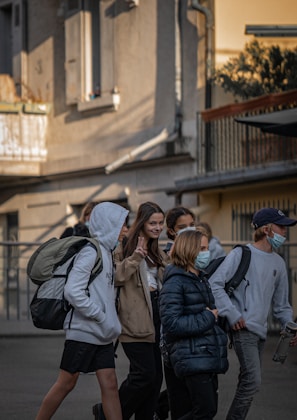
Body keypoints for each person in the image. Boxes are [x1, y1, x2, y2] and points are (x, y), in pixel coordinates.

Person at [35, 202, 129, 420]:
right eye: (122, 224)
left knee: (110, 384)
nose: (125, 229)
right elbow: (73, 291)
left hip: (101, 333)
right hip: (84, 331)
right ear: (109, 225)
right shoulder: (90, 251)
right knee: (66, 383)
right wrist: (100, 315)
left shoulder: (106, 251)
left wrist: (105, 320)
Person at [208, 207, 297, 420]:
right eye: (281, 226)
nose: (285, 231)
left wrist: (290, 325)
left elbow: (281, 305)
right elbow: (214, 284)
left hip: (261, 332)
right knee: (252, 382)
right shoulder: (241, 254)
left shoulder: (279, 263)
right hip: (243, 329)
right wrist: (232, 314)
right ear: (266, 229)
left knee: (248, 382)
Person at [93, 201, 169, 420]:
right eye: (153, 223)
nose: (157, 227)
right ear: (142, 223)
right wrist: (136, 257)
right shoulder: (123, 245)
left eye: (161, 223)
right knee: (143, 375)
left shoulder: (157, 248)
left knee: (155, 378)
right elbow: (115, 276)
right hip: (133, 317)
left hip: (156, 314)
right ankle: (108, 414)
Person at [159, 229, 229, 420]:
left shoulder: (200, 279)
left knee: (198, 409)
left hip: (203, 354)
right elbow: (172, 323)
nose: (207, 253)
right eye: (202, 248)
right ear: (189, 250)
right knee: (205, 410)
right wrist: (208, 318)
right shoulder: (175, 283)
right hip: (191, 356)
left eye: (206, 248)